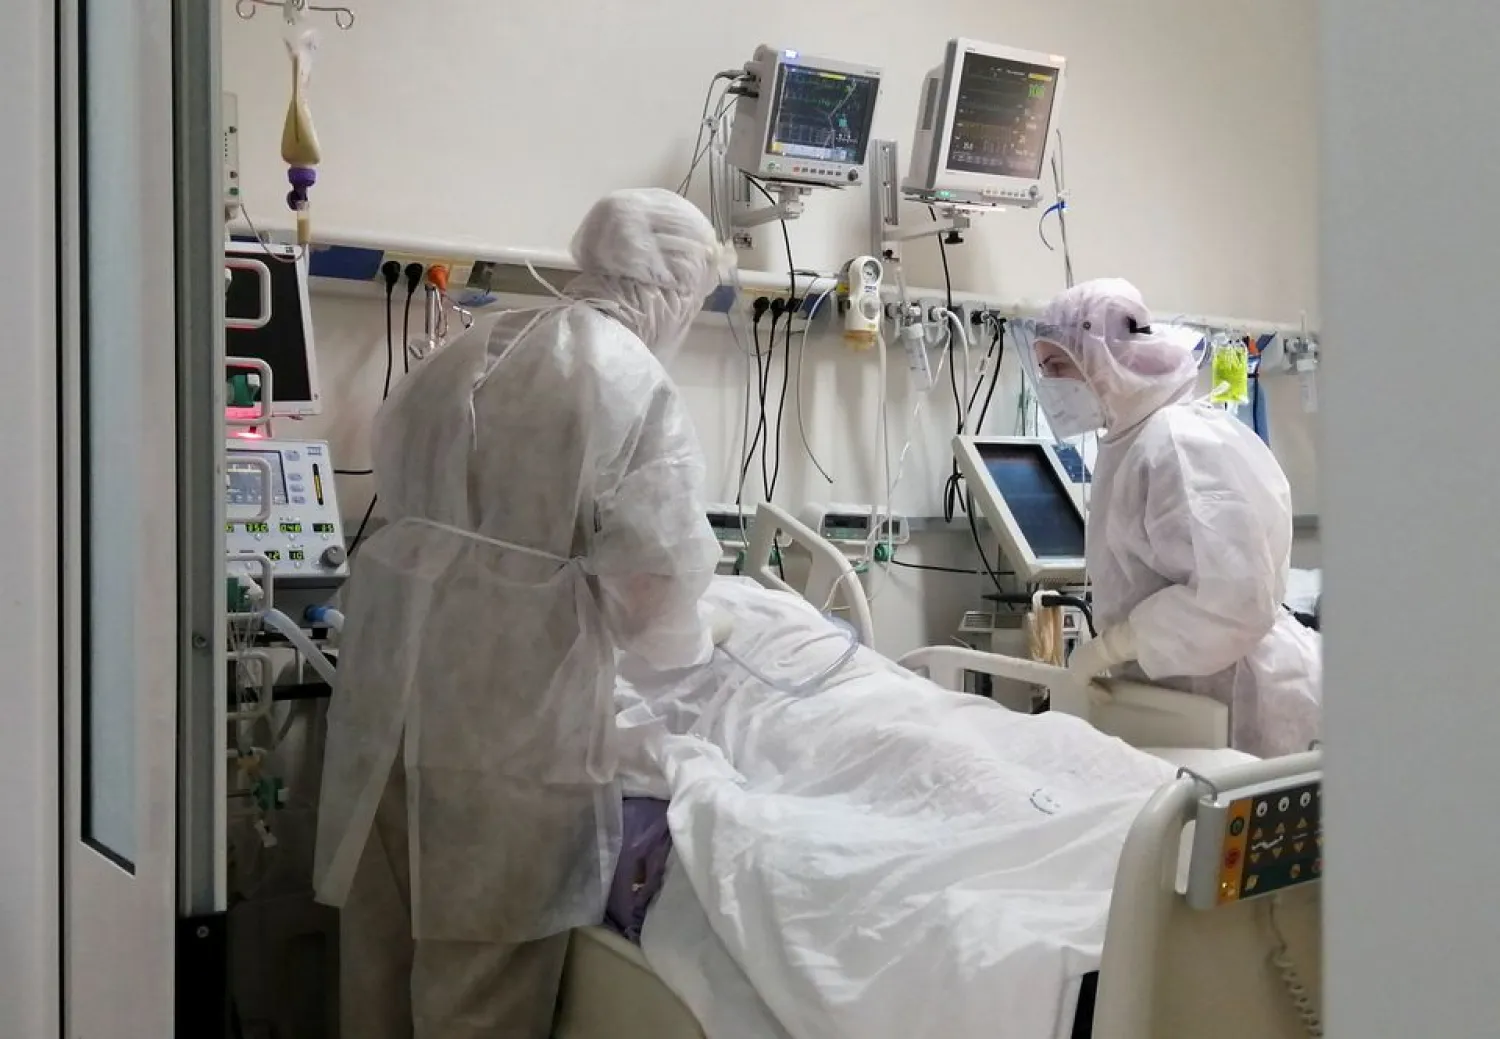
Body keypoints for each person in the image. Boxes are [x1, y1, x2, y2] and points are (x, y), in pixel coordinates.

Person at [313, 188, 729, 1039]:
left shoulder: (467, 348)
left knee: (378, 971)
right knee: (480, 992)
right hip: (508, 746)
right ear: (675, 286)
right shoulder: (625, 378)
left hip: (388, 713)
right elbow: (657, 602)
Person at [1020, 278, 1320, 757]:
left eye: (1058, 365)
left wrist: (1113, 646)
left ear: (1102, 356)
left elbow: (1233, 600)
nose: (1051, 385)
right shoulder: (1133, 439)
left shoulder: (1177, 445)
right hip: (1193, 695)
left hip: (1249, 700)